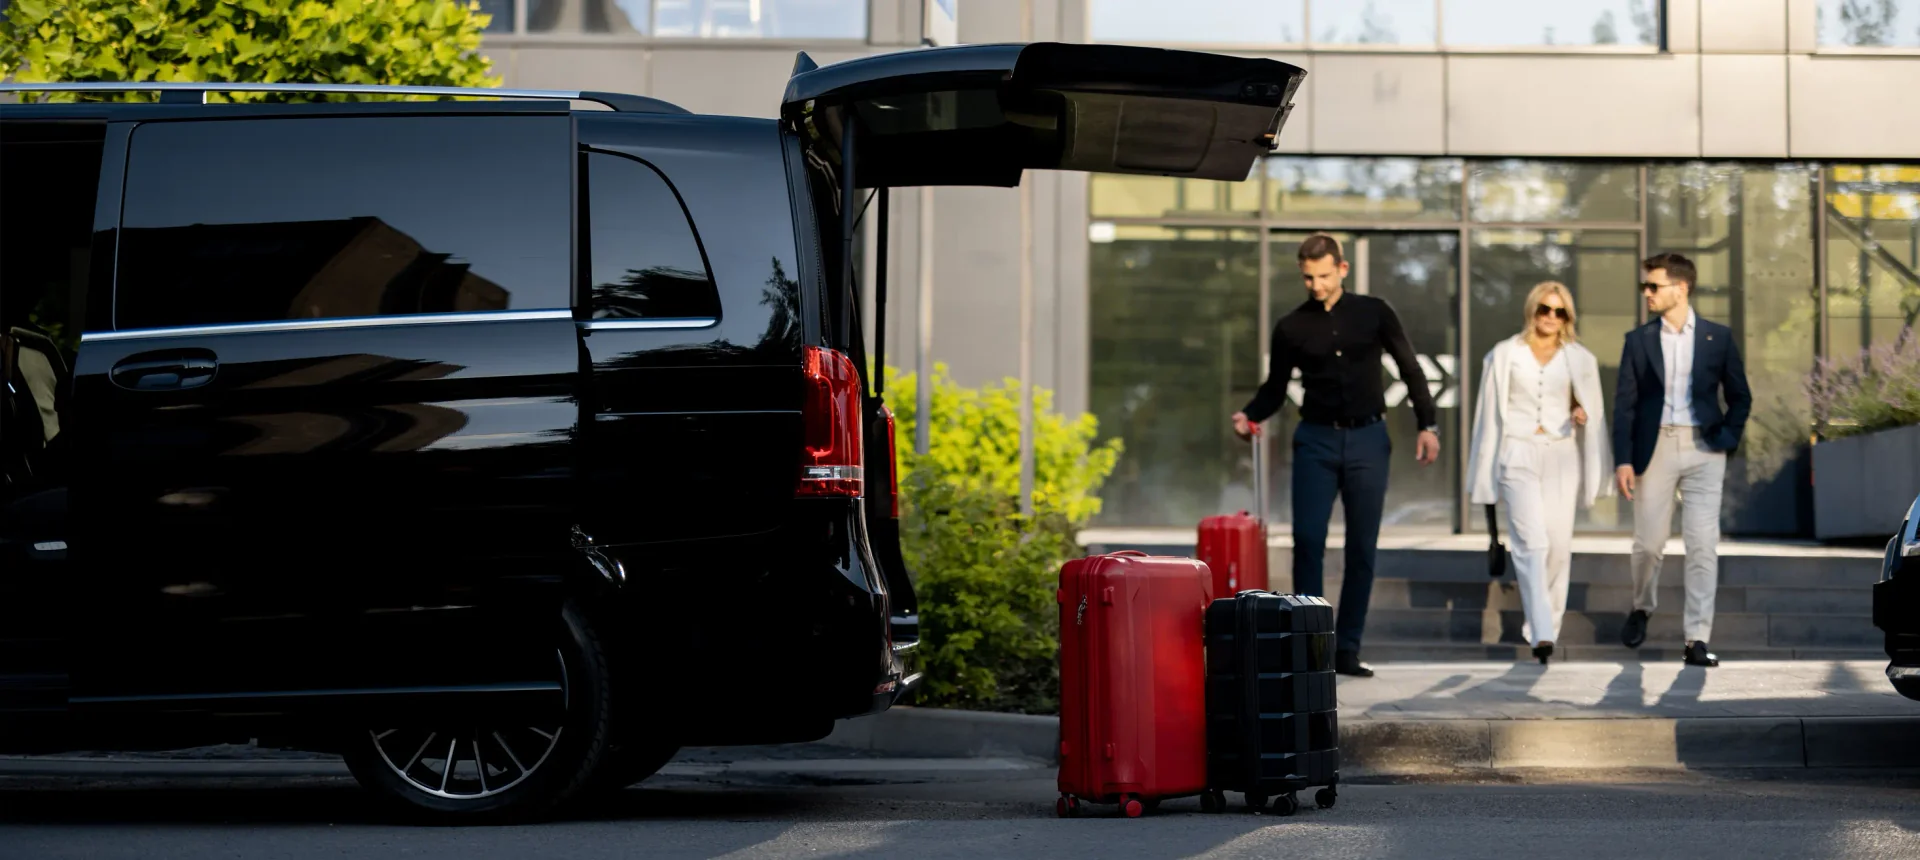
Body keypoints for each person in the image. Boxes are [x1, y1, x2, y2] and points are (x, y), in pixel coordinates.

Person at [1232, 233, 1440, 678]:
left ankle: (1347, 649)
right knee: (1308, 541)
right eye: (1308, 277)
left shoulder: (1374, 312)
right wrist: (1249, 415)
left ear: (1342, 269)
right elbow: (1275, 387)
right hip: (1316, 441)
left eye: (1324, 275)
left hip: (1368, 439)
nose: (1317, 285)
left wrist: (1428, 424)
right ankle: (1310, 651)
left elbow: (1409, 366)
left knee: (1362, 547)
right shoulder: (1291, 327)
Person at [1612, 252, 1751, 668]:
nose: (1647, 293)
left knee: (1702, 545)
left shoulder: (1718, 338)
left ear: (1682, 288)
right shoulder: (1637, 340)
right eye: (1645, 286)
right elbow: (1625, 407)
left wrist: (1726, 438)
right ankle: (1642, 605)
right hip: (1653, 449)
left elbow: (1740, 396)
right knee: (1649, 544)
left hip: (1705, 450)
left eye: (1653, 286)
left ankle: (1696, 639)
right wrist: (1622, 460)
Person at [1465, 282, 1613, 665]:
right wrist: (1483, 471)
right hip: (1517, 452)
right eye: (1544, 309)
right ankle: (1542, 631)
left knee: (1558, 546)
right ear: (1531, 310)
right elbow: (1487, 416)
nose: (1550, 317)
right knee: (1532, 543)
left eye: (1559, 311)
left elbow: (1591, 412)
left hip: (1562, 454)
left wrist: (1581, 413)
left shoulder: (1579, 358)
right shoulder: (1504, 355)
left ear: (1568, 317)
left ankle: (1548, 624)